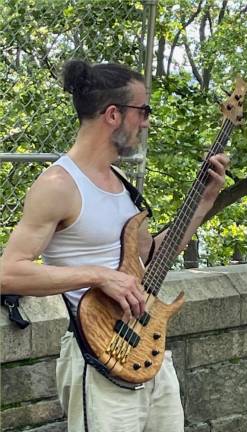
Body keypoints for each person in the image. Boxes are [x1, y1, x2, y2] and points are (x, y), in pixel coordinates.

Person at [1, 59, 229, 432]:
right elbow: (8, 272)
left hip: (147, 351)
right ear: (112, 114)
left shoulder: (121, 183)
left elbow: (152, 260)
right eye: (143, 111)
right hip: (101, 359)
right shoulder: (59, 184)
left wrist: (204, 201)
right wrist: (99, 276)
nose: (147, 121)